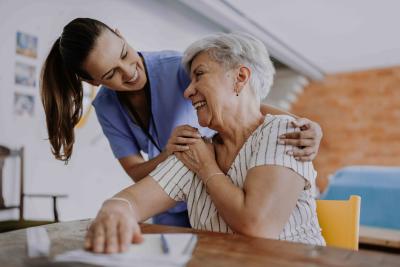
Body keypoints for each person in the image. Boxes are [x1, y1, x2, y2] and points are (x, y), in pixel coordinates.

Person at [40, 18, 323, 228]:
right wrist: (170, 156)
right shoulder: (107, 107)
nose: (129, 72)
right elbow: (136, 180)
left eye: (125, 54)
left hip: (215, 191)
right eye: (111, 73)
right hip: (178, 194)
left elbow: (241, 104)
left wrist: (300, 123)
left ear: (121, 35)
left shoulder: (178, 67)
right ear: (94, 81)